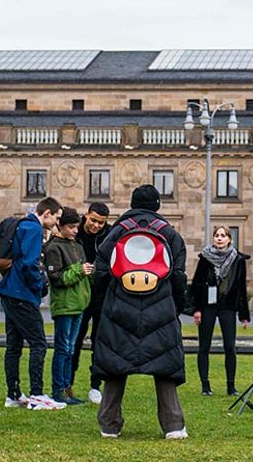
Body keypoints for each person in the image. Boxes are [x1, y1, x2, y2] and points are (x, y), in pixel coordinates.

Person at [92, 184, 190, 440]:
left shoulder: (115, 232)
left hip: (119, 307)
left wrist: (103, 305)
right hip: (161, 307)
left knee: (115, 364)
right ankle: (174, 426)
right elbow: (179, 275)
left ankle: (109, 425)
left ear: (132, 204)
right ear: (157, 205)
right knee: (165, 367)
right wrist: (176, 305)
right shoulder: (170, 234)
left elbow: (101, 272)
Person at [0, 196, 65, 410]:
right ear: (47, 213)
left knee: (14, 345)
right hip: (22, 293)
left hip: (9, 289)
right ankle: (37, 394)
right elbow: (29, 264)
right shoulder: (35, 229)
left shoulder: (21, 225)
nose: (57, 223)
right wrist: (40, 285)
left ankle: (14, 393)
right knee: (38, 343)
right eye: (56, 217)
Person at [191, 225, 250, 396]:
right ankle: (205, 386)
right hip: (207, 306)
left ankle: (231, 386)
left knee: (230, 347)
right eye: (217, 235)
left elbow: (241, 288)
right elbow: (196, 284)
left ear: (229, 239)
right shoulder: (205, 258)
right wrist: (196, 309)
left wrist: (244, 315)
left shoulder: (237, 260)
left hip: (227, 307)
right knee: (204, 347)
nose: (219, 238)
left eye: (223, 235)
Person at [44, 207, 92, 406]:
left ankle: (67, 388)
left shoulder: (77, 246)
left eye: (76, 227)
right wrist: (79, 271)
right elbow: (56, 278)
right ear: (60, 226)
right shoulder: (53, 247)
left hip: (78, 304)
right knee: (63, 348)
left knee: (71, 349)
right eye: (71, 227)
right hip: (64, 305)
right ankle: (58, 390)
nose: (75, 231)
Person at [72, 202, 111, 404]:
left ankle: (95, 385)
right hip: (79, 293)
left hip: (102, 295)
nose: (96, 226)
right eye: (93, 220)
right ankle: (67, 383)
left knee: (100, 341)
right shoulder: (73, 230)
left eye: (101, 223)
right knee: (75, 340)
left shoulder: (109, 234)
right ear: (86, 215)